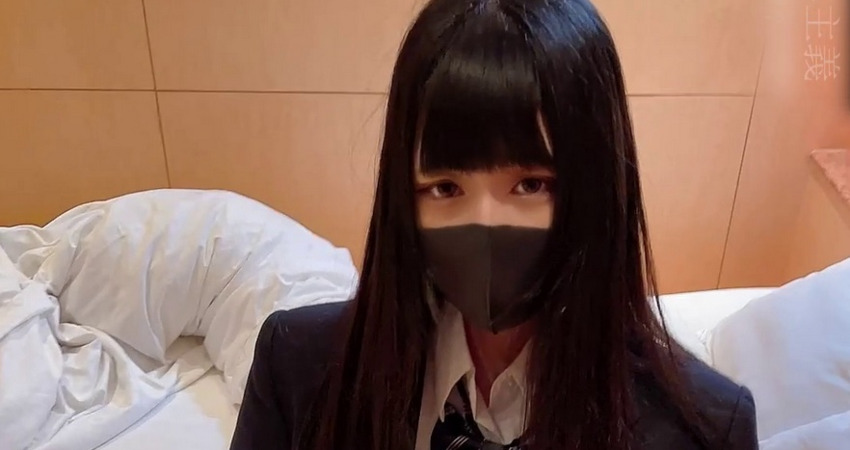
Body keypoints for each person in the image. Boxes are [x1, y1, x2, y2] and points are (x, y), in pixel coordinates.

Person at [229, 0, 759, 448]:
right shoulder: (296, 368)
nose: (484, 225)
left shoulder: (707, 429)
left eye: (531, 184)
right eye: (445, 188)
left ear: (598, 189)